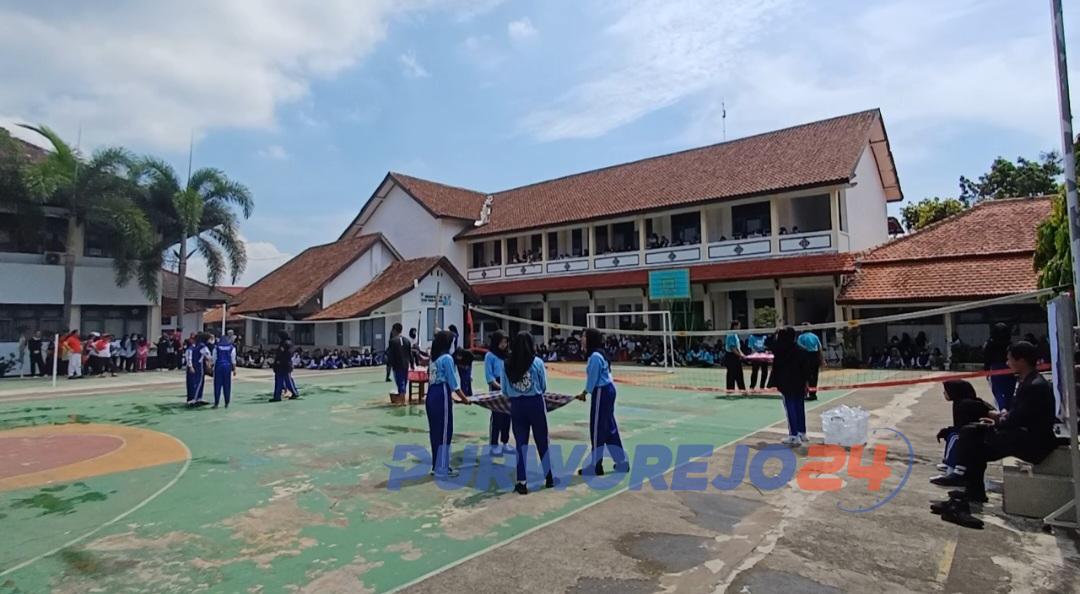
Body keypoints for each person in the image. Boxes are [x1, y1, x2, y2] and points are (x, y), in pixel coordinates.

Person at [931, 342, 1058, 528]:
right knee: (974, 433)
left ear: (1021, 361)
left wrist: (999, 421)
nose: (1007, 363)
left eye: (1010, 359)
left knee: (973, 436)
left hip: (1032, 442)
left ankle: (964, 480)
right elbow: (1019, 415)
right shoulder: (1027, 381)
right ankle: (972, 490)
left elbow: (1019, 419)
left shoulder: (1034, 385)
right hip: (1023, 433)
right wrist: (1000, 419)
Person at [502, 331, 555, 494]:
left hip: (517, 405)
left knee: (520, 444)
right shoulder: (537, 362)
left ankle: (522, 481)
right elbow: (543, 386)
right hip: (535, 404)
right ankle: (549, 477)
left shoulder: (507, 364)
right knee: (542, 440)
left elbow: (504, 390)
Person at [576, 328, 629, 475]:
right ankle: (621, 462)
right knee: (609, 427)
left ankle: (596, 465)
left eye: (584, 336)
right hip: (608, 389)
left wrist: (585, 393)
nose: (582, 339)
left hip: (602, 391)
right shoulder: (600, 354)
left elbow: (593, 379)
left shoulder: (595, 357)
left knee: (597, 428)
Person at [427, 330, 470, 477]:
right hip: (441, 394)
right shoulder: (447, 359)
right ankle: (442, 467)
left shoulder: (433, 359)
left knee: (435, 432)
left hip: (431, 395)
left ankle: (436, 465)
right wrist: (465, 399)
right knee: (445, 431)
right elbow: (454, 384)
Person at [930, 380, 994, 480]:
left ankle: (955, 471)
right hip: (968, 431)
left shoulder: (966, 405)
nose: (944, 393)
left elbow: (964, 426)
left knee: (954, 437)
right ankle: (949, 463)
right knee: (950, 434)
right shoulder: (959, 402)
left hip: (979, 434)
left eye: (946, 391)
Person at [770, 327, 812, 445]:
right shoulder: (801, 350)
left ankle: (794, 436)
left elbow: (768, 343)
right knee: (799, 406)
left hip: (786, 383)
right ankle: (802, 433)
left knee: (790, 408)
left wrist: (775, 333)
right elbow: (806, 370)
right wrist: (807, 383)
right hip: (799, 382)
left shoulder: (779, 350)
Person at [484, 330, 511, 456]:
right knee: (497, 416)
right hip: (496, 387)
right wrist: (500, 387)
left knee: (507, 415)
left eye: (505, 342)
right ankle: (494, 444)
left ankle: (505, 442)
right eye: (501, 342)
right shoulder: (490, 356)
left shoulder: (508, 355)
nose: (504, 345)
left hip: (508, 386)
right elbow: (489, 377)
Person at [983, 322, 1015, 411]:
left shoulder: (990, 344)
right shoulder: (1010, 344)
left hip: (996, 369)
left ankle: (1002, 409)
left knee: (998, 392)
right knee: (1009, 391)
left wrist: (986, 370)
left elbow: (987, 358)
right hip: (1009, 368)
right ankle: (1008, 409)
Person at [386, 323, 412, 405]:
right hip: (406, 365)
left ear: (394, 330)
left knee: (400, 382)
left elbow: (391, 354)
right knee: (404, 381)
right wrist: (412, 363)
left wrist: (389, 364)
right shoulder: (407, 340)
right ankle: (403, 399)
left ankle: (402, 401)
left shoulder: (392, 341)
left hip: (397, 365)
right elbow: (410, 354)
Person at [270, 331, 300, 402]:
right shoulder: (290, 343)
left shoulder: (284, 344)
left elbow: (282, 355)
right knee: (288, 380)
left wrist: (277, 362)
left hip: (282, 365)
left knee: (280, 381)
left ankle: (277, 396)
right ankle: (294, 393)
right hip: (287, 364)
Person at [797, 324, 824, 401]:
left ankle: (805, 393)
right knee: (814, 376)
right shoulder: (815, 336)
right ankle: (813, 394)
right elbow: (820, 348)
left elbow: (799, 347)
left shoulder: (801, 337)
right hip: (815, 356)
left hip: (806, 356)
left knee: (805, 376)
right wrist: (822, 359)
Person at [184, 333, 212, 406]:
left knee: (193, 382)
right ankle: (194, 398)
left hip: (194, 365)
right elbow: (208, 355)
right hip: (198, 366)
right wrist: (209, 362)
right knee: (199, 382)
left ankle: (197, 398)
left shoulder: (194, 346)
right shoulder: (202, 346)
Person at [213, 331, 237, 409]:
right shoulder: (231, 347)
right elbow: (233, 359)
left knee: (217, 385)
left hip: (218, 366)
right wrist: (234, 369)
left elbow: (214, 358)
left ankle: (216, 403)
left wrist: (212, 367)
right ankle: (227, 402)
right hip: (227, 367)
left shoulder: (216, 347)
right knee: (227, 385)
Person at [723, 321, 746, 392]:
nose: (740, 327)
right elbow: (732, 348)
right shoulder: (731, 334)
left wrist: (742, 354)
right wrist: (740, 355)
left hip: (736, 356)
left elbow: (737, 348)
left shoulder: (735, 334)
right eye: (739, 326)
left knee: (739, 373)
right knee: (731, 374)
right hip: (731, 356)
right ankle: (730, 390)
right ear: (735, 326)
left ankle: (742, 389)